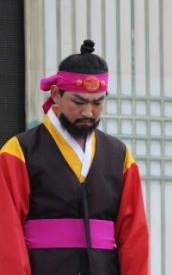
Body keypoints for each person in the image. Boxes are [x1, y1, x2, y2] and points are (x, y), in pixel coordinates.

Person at [0, 40, 149, 275]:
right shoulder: (19, 150)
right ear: (57, 94)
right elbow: (6, 231)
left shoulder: (119, 155)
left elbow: (134, 235)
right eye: (78, 102)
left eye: (97, 103)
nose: (88, 112)